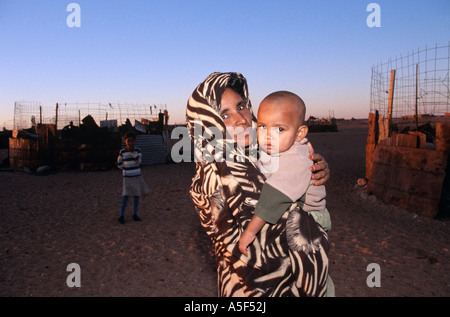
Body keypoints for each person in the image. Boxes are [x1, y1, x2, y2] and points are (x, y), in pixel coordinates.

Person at [186, 72, 332, 297]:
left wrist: (312, 168)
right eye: (224, 115)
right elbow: (261, 247)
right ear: (207, 123)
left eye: (241, 106)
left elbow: (289, 164)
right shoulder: (217, 175)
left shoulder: (257, 150)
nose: (241, 119)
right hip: (256, 289)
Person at [239, 91, 330, 256]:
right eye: (262, 126)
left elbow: (272, 199)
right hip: (288, 211)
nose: (268, 136)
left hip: (310, 220)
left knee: (307, 268)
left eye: (279, 129)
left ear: (299, 133)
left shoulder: (296, 159)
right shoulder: (274, 148)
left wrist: (250, 232)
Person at [117, 131, 149, 224]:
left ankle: (134, 214)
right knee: (125, 195)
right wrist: (126, 169)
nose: (130, 143)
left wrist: (132, 152)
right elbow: (119, 164)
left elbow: (139, 161)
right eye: (129, 141)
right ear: (125, 141)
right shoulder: (122, 151)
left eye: (132, 141)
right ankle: (121, 215)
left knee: (136, 195)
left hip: (137, 176)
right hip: (127, 177)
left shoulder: (137, 150)